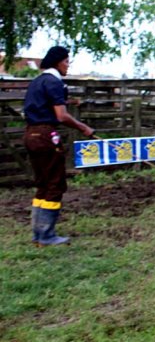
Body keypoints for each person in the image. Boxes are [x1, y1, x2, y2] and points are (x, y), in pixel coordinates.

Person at [23, 46, 94, 246]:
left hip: (31, 134)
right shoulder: (54, 82)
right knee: (55, 184)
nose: (68, 65)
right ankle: (47, 235)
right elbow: (61, 116)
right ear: (57, 62)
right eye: (66, 61)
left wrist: (69, 101)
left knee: (43, 184)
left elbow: (43, 105)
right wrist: (83, 127)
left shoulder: (37, 81)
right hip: (46, 135)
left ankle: (38, 234)